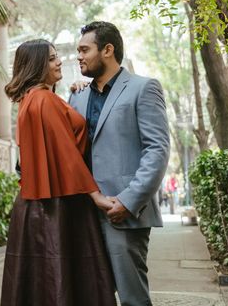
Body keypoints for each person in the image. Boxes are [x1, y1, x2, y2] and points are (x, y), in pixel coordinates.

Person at [0, 39, 116, 306]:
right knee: (62, 279)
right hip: (59, 204)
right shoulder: (44, 100)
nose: (59, 61)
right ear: (37, 64)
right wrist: (95, 194)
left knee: (41, 282)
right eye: (52, 58)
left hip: (37, 204)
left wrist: (77, 94)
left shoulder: (32, 99)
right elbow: (66, 152)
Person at [69, 21, 170, 306]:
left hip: (123, 212)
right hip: (83, 211)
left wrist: (128, 201)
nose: (79, 56)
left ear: (107, 50)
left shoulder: (144, 88)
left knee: (132, 298)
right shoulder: (77, 95)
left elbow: (157, 150)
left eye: (84, 50)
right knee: (90, 295)